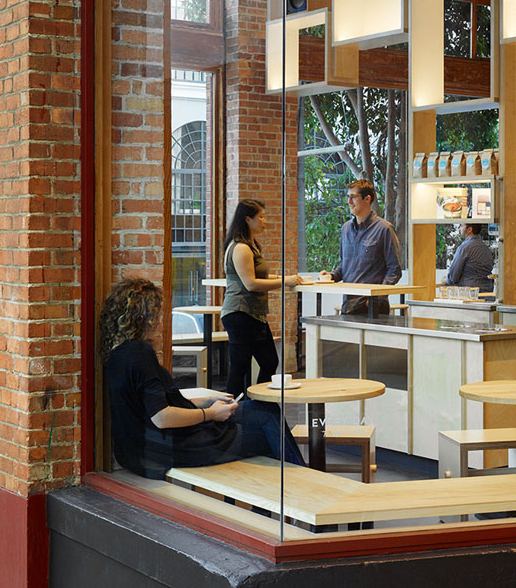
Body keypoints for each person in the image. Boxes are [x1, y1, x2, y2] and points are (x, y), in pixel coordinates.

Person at [102, 278, 305, 480]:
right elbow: (162, 417)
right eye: (156, 314)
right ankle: (301, 484)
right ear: (144, 317)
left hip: (144, 450)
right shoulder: (139, 353)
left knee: (267, 409)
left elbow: (153, 404)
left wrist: (206, 402)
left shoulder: (118, 354)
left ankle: (281, 495)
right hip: (171, 448)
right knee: (269, 431)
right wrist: (210, 413)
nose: (160, 320)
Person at [221, 198, 302, 397]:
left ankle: (258, 405)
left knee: (269, 361)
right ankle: (231, 414)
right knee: (239, 368)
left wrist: (288, 278)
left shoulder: (251, 245)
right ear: (248, 220)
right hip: (240, 313)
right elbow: (251, 283)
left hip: (253, 315)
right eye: (261, 217)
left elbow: (260, 276)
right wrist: (285, 282)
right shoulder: (240, 248)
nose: (265, 221)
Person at [319, 178, 402, 315]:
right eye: (348, 197)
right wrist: (330, 276)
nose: (349, 202)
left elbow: (394, 270)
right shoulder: (346, 229)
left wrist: (376, 298)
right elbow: (343, 267)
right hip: (348, 305)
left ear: (367, 199)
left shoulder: (384, 229)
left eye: (353, 197)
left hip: (374, 309)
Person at [445, 223, 494, 291]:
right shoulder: (486, 248)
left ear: (469, 229)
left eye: (461, 226)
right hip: (487, 293)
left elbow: (453, 277)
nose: (459, 229)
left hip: (470, 295)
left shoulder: (464, 248)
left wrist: (446, 280)